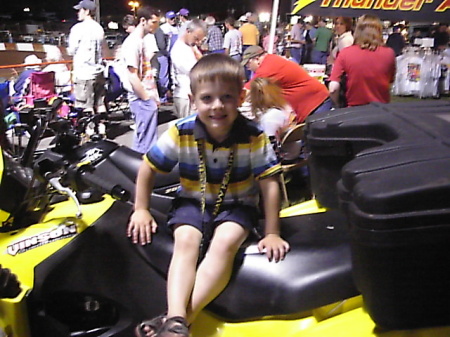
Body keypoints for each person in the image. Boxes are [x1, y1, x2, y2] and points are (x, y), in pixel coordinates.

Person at [128, 53, 289, 337]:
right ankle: (177, 316)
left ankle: (176, 323)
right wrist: (140, 208)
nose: (217, 106)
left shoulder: (253, 135)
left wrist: (272, 232)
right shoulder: (180, 131)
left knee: (225, 242)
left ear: (241, 97)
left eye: (226, 97)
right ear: (193, 99)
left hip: (237, 206)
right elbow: (148, 167)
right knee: (185, 241)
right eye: (207, 98)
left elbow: (269, 182)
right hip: (193, 201)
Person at [242, 45, 331, 123]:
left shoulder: (267, 69)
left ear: (256, 59)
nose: (248, 68)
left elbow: (247, 92)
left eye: (248, 64)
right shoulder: (272, 60)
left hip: (315, 105)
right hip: (316, 102)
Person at [329, 15, 396, 108]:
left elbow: (333, 87)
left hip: (353, 110)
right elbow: (391, 80)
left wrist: (336, 104)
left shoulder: (346, 53)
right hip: (381, 110)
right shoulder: (389, 53)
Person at [120, 6, 161, 154]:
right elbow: (132, 75)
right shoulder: (133, 43)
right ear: (143, 21)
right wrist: (147, 99)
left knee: (145, 140)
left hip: (144, 97)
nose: (156, 26)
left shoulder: (140, 41)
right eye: (154, 22)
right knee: (145, 145)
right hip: (141, 98)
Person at [68, 0, 106, 114]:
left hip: (84, 73)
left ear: (87, 11)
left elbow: (71, 50)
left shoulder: (78, 28)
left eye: (80, 10)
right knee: (100, 103)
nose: (78, 13)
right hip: (98, 71)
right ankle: (101, 128)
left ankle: (89, 130)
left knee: (85, 105)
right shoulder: (99, 28)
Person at [249, 77, 300, 161]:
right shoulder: (285, 107)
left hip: (283, 156)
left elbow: (269, 148)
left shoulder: (270, 117)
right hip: (294, 151)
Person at [170, 19, 207, 119]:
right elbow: (195, 71)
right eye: (196, 38)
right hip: (185, 95)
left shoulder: (190, 46)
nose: (198, 42)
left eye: (200, 40)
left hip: (193, 94)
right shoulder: (179, 49)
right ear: (188, 31)